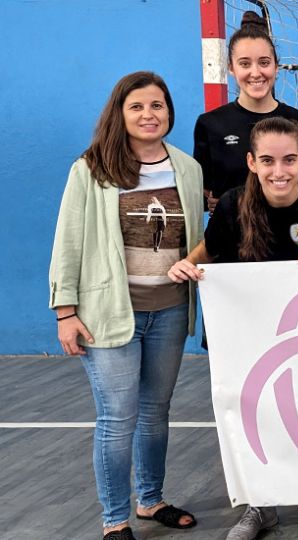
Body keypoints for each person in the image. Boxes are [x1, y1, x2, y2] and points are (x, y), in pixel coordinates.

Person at [167, 117, 298, 540]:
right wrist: (186, 266)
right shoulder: (232, 205)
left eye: (288, 159)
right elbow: (208, 253)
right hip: (255, 335)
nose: (278, 171)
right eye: (267, 160)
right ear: (251, 162)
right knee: (255, 418)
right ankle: (261, 505)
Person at [49, 71, 202, 540]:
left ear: (169, 113)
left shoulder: (187, 168)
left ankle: (150, 499)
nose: (148, 114)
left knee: (157, 411)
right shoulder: (91, 169)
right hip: (109, 314)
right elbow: (68, 242)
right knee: (118, 417)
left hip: (171, 310)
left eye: (157, 105)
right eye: (137, 106)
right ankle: (114, 521)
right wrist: (66, 312)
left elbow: (198, 238)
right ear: (119, 112)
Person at [194, 10, 298, 212]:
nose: (256, 73)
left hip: (289, 237)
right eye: (245, 63)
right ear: (231, 68)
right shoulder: (210, 124)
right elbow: (202, 195)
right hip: (234, 239)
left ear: (276, 67)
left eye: (264, 62)